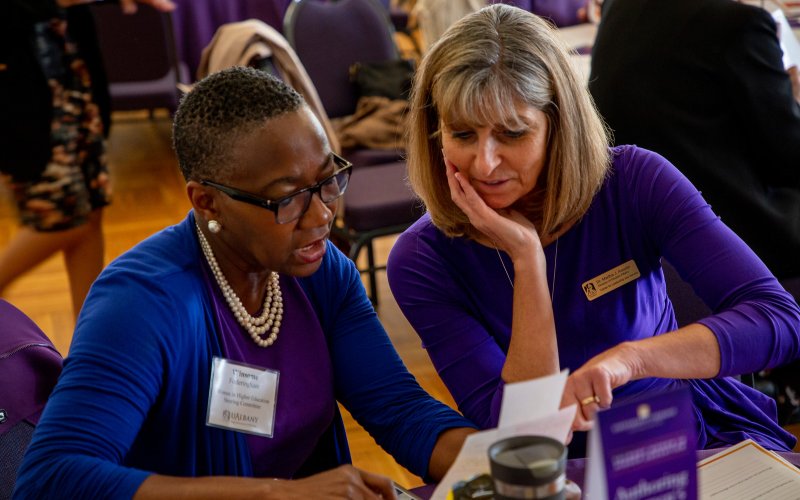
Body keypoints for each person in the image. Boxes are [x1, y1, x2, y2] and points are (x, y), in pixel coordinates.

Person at [13, 67, 476, 499]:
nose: (321, 216)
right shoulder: (142, 304)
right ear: (208, 202)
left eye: (326, 181)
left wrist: (498, 458)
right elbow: (52, 477)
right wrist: (281, 494)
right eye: (288, 198)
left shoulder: (320, 271)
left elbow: (399, 410)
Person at [386, 3, 800, 458]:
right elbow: (530, 438)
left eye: (513, 133)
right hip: (558, 467)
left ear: (558, 126)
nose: (484, 163)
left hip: (677, 432)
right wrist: (527, 260)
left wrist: (634, 358)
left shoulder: (635, 180)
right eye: (462, 135)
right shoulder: (422, 258)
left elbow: (778, 318)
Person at [589, 0, 800, 281]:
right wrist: (792, 99)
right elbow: (788, 160)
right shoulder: (739, 25)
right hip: (732, 238)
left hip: (632, 231)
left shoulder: (620, 7)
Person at [0, 0, 175, 318]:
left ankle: (89, 336)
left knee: (91, 216)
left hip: (76, 91)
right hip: (27, 113)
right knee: (65, 225)